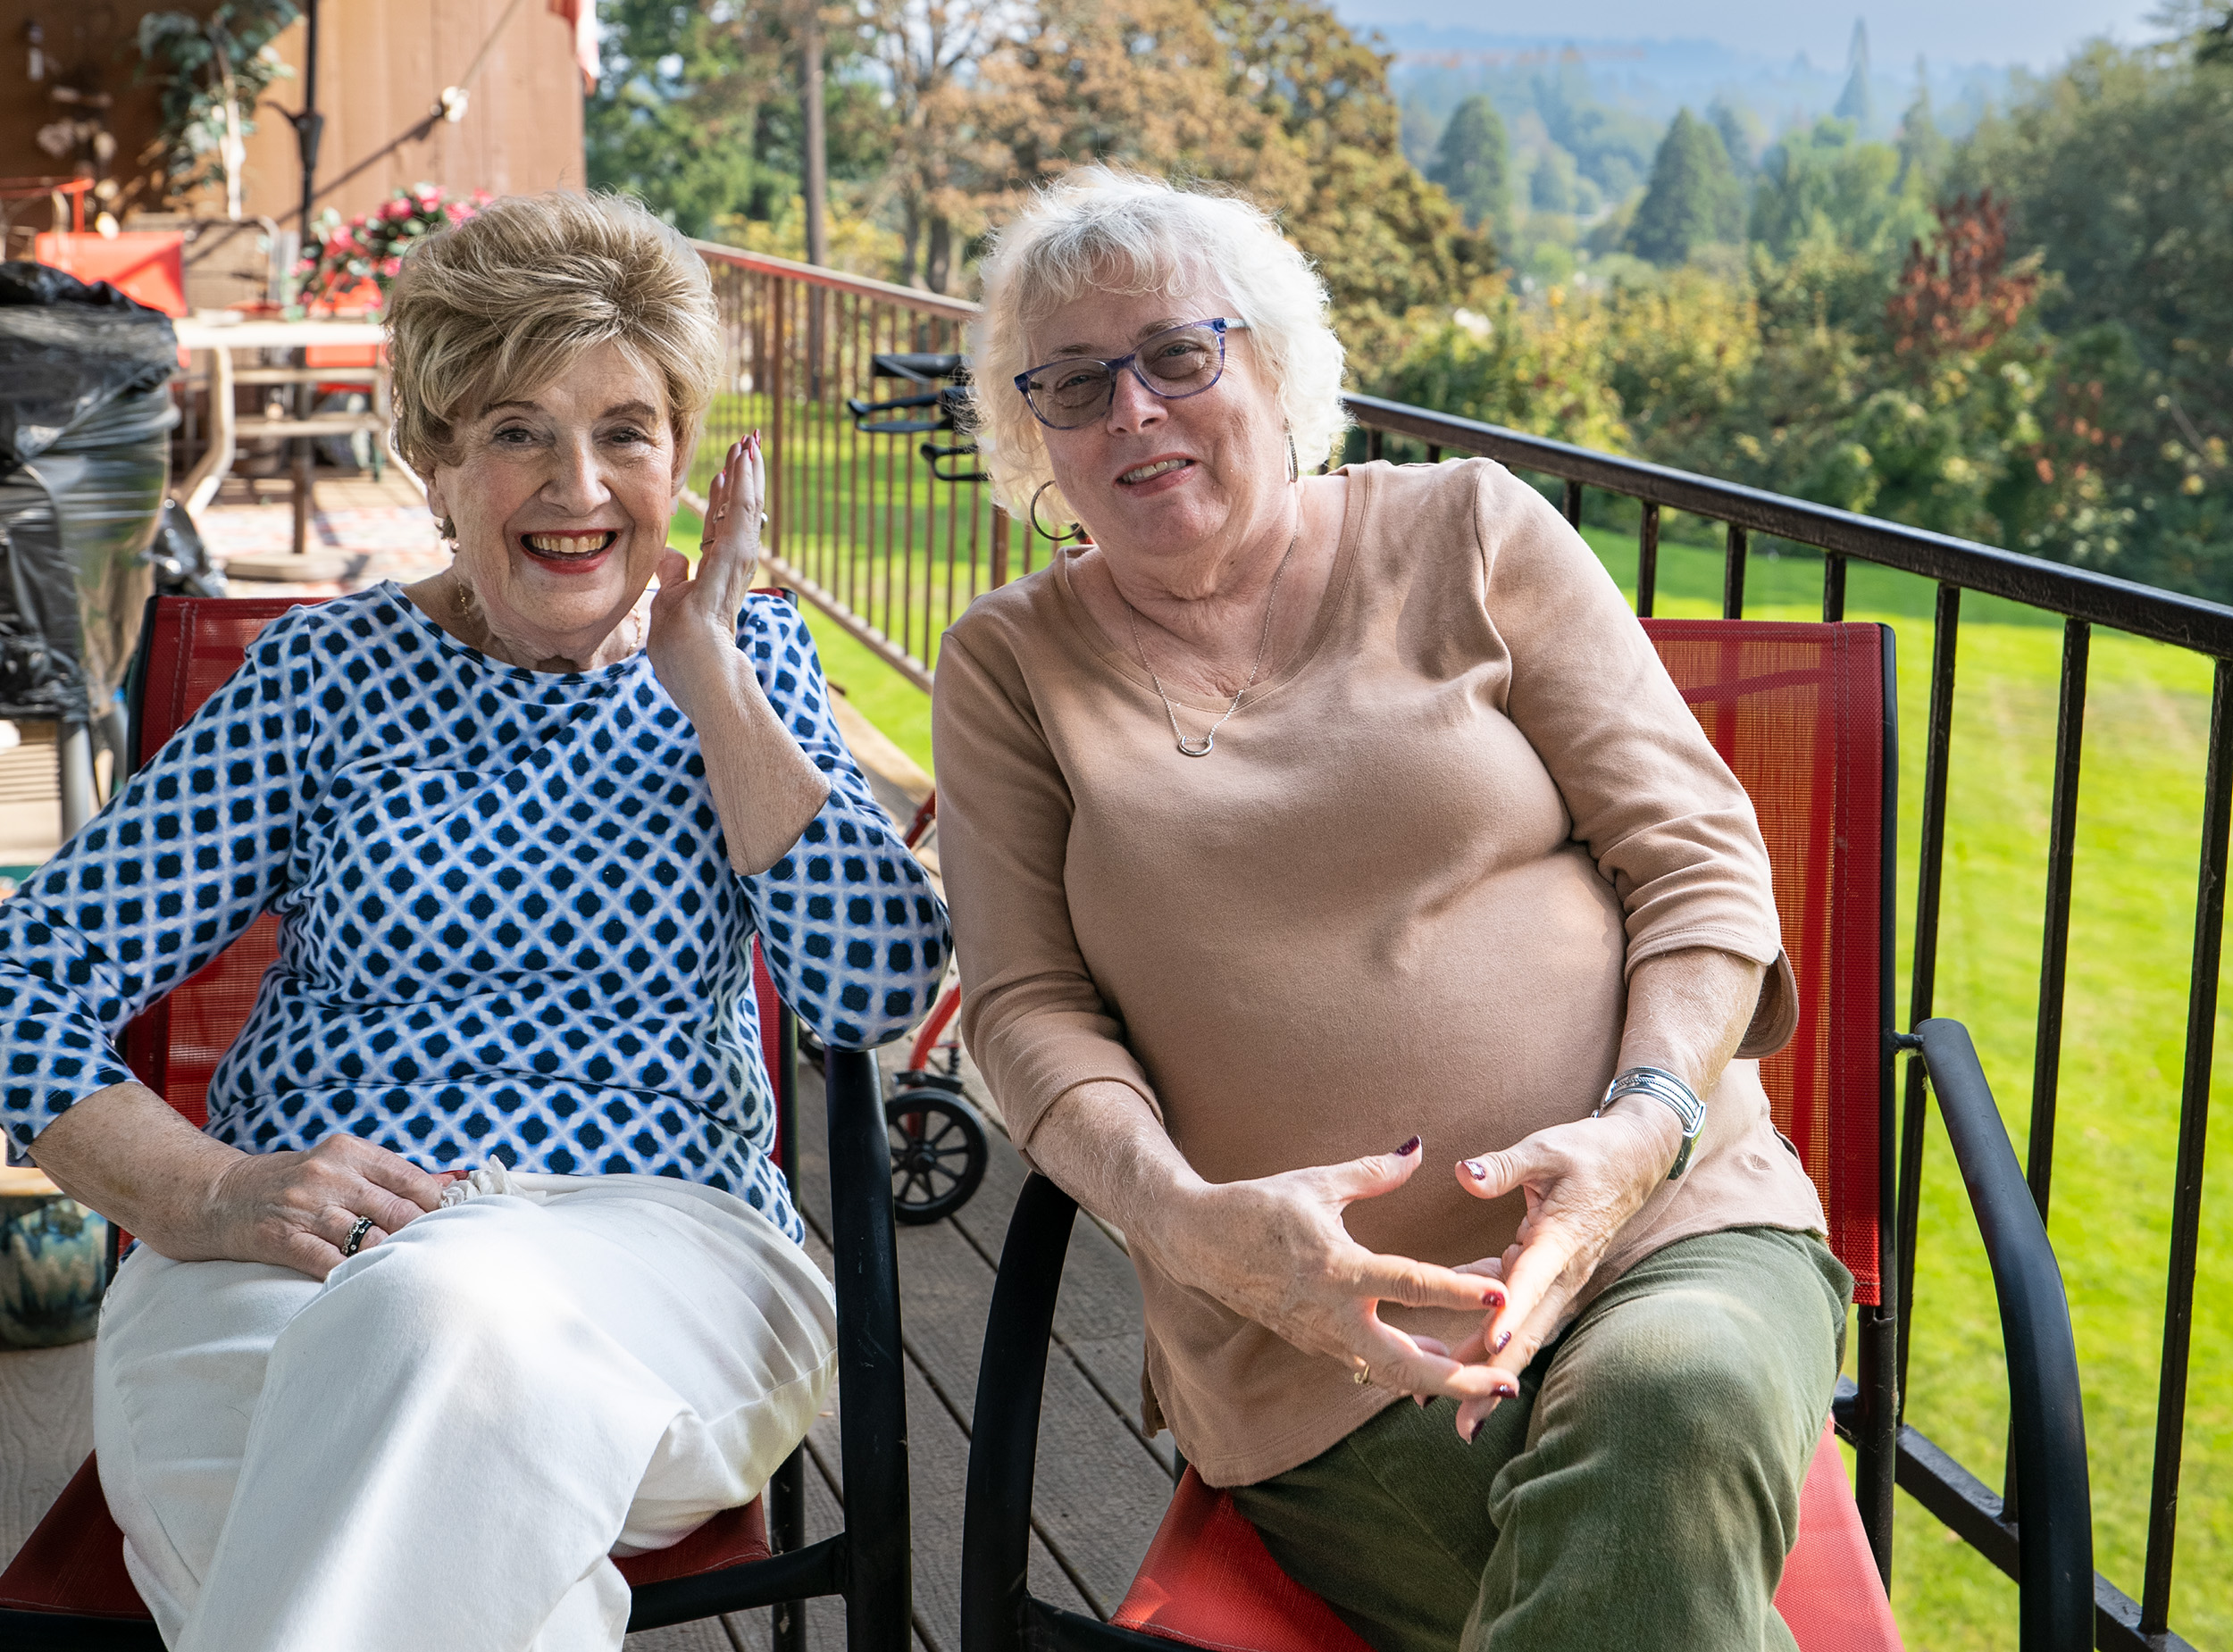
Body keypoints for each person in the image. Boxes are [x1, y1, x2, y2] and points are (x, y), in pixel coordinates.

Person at [0, 191, 949, 1652]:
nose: (577, 484)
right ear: (432, 464)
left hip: (664, 1253)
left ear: (682, 457)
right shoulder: (327, 676)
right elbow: (26, 977)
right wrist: (199, 1193)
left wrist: (714, 691)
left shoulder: (742, 662)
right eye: (514, 429)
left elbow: (876, 982)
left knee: (427, 1335)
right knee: (422, 1514)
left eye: (625, 430)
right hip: (275, 1255)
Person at [933, 169, 1850, 1652]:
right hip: (1317, 1332)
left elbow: (1697, 856)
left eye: (1178, 354)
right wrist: (1186, 1224)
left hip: (1666, 1228)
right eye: (1077, 383)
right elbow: (1028, 1006)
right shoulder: (1010, 667)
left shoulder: (1470, 530)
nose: (1136, 413)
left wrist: (1639, 1131)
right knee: (1640, 1582)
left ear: (1277, 363)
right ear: (1033, 432)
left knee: (1669, 1405)